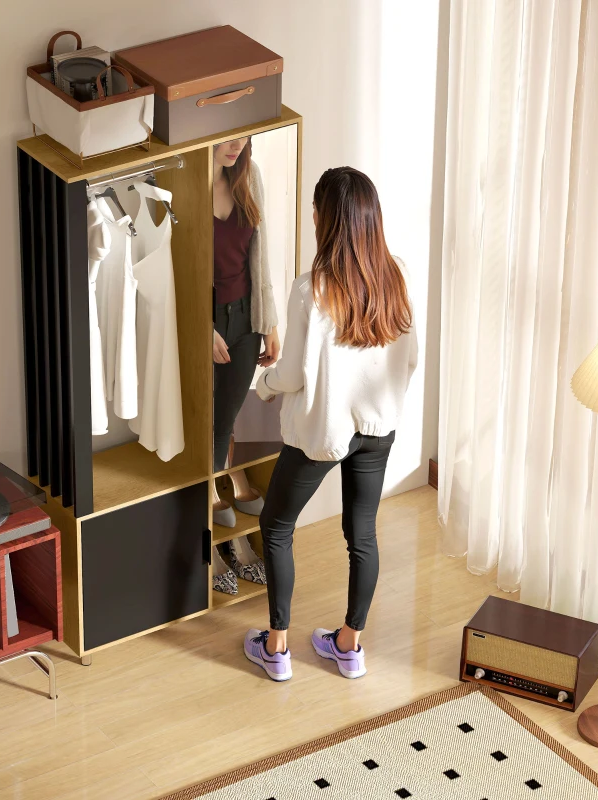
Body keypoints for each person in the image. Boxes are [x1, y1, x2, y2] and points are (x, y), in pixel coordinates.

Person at [243, 167, 418, 682]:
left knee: (276, 527)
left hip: (323, 433)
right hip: (378, 429)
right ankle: (349, 645)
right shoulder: (398, 275)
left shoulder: (310, 289)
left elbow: (294, 373)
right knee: (361, 534)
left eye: (316, 211)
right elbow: (410, 358)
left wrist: (264, 384)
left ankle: (275, 648)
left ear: (327, 220)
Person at [212, 137, 280, 521]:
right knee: (207, 419)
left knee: (228, 414)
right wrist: (200, 328)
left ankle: (227, 477)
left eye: (244, 136)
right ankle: (213, 489)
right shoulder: (185, 188)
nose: (237, 145)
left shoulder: (249, 176)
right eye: (227, 136)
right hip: (207, 321)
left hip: (246, 319)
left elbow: (261, 254)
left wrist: (268, 322)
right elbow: (179, 270)